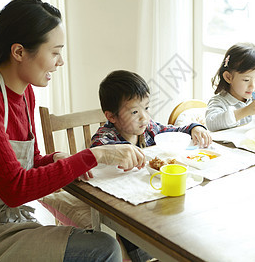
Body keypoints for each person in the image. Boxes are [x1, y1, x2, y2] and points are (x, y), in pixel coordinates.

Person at [0, 0, 145, 262]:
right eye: (54, 52)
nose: (60, 61)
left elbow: (25, 166)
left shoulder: (26, 93)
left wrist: (52, 160)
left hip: (7, 221)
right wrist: (97, 155)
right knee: (102, 248)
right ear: (18, 52)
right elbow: (14, 188)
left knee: (102, 245)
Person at [90, 70, 212, 262]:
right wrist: (114, 154)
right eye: (134, 112)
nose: (144, 118)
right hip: (124, 204)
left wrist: (194, 128)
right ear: (111, 116)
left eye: (147, 108)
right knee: (142, 234)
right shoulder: (106, 138)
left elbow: (175, 130)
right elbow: (95, 154)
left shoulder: (149, 129)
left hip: (152, 194)